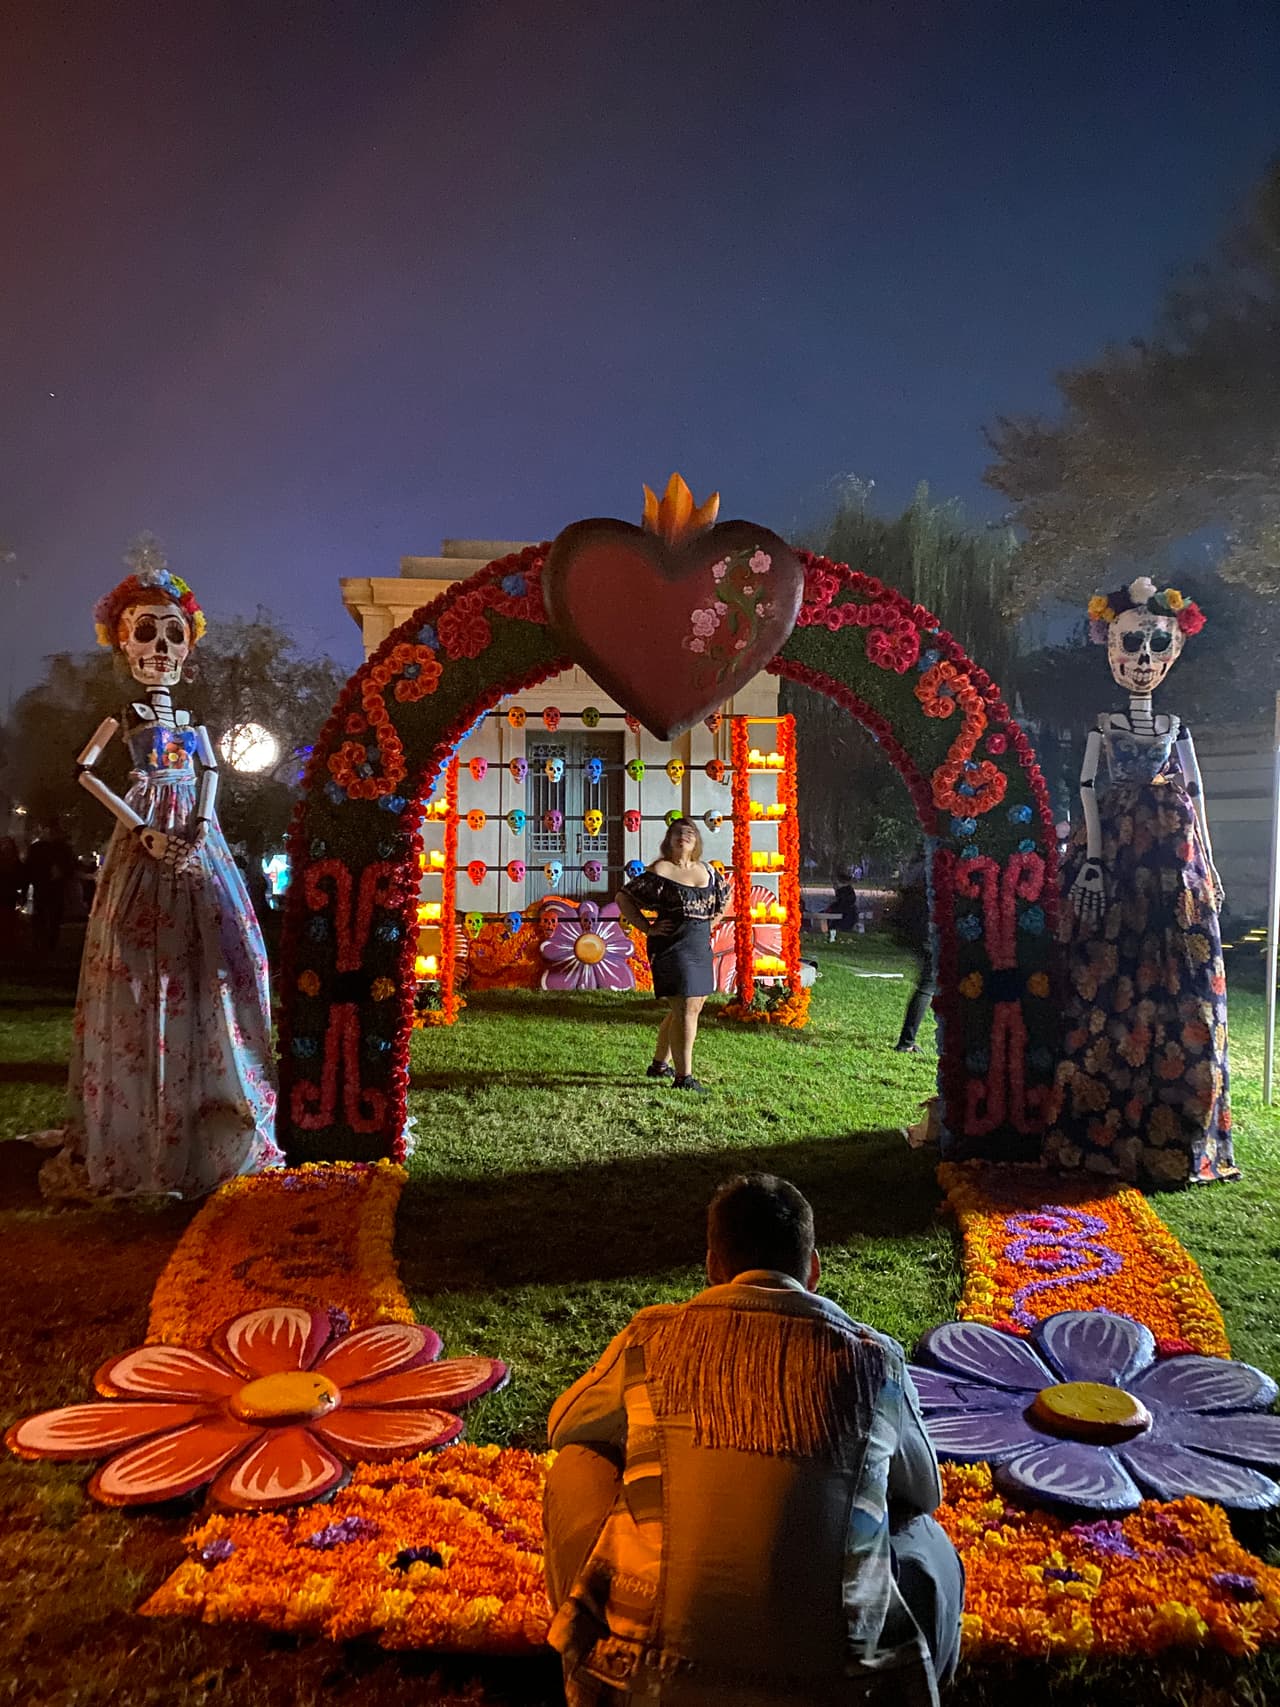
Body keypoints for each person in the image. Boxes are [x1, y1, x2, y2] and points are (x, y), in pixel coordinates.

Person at [543, 1173, 963, 1706]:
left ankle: (591, 1640)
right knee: (920, 1529)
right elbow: (925, 1491)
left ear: (713, 1265)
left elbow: (565, 1426)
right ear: (813, 1270)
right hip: (842, 1688)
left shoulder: (652, 1337)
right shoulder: (874, 1360)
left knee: (578, 1462)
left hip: (648, 1679)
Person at [37, 552, 280, 1200]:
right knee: (139, 960)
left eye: (174, 634)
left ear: (188, 646)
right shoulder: (127, 719)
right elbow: (85, 771)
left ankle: (216, 1102)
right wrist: (142, 827)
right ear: (124, 643)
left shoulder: (193, 725)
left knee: (230, 952)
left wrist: (199, 824)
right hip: (146, 830)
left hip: (198, 837)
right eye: (147, 632)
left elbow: (211, 773)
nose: (162, 648)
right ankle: (143, 1121)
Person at [1048, 577, 1236, 1184]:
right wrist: (1094, 858)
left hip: (1172, 858)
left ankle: (1177, 1126)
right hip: (1119, 853)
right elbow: (1086, 788)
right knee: (1108, 964)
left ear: (1174, 651)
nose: (1145, 658)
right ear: (1111, 650)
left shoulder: (1177, 726)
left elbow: (1196, 793)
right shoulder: (1104, 726)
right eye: (1132, 644)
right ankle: (1105, 1119)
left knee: (1183, 969)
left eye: (1158, 644)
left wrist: (1208, 863)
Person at [615, 818, 727, 1093]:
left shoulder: (708, 871)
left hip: (699, 946)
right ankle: (684, 1077)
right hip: (671, 946)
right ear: (669, 839)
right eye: (677, 832)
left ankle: (658, 1065)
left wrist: (709, 924)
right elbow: (623, 898)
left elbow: (724, 898)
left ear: (697, 840)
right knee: (686, 1009)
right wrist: (647, 927)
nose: (683, 836)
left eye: (689, 832)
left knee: (689, 1008)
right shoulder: (660, 870)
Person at [889, 847, 933, 1053]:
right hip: (927, 929)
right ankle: (906, 1042)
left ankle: (907, 1041)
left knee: (929, 984)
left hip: (916, 928)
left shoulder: (917, 866)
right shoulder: (931, 868)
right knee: (928, 984)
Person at [24, 821, 76, 955]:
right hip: (42, 885)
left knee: (53, 916)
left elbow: (71, 867)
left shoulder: (63, 848)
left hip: (55, 887)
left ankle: (49, 943)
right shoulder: (37, 848)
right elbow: (29, 867)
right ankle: (40, 943)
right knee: (41, 914)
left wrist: (63, 872)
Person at [830, 866, 861, 934]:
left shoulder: (844, 892)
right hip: (846, 914)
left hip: (845, 917)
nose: (834, 887)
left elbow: (842, 905)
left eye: (835, 884)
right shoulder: (846, 892)